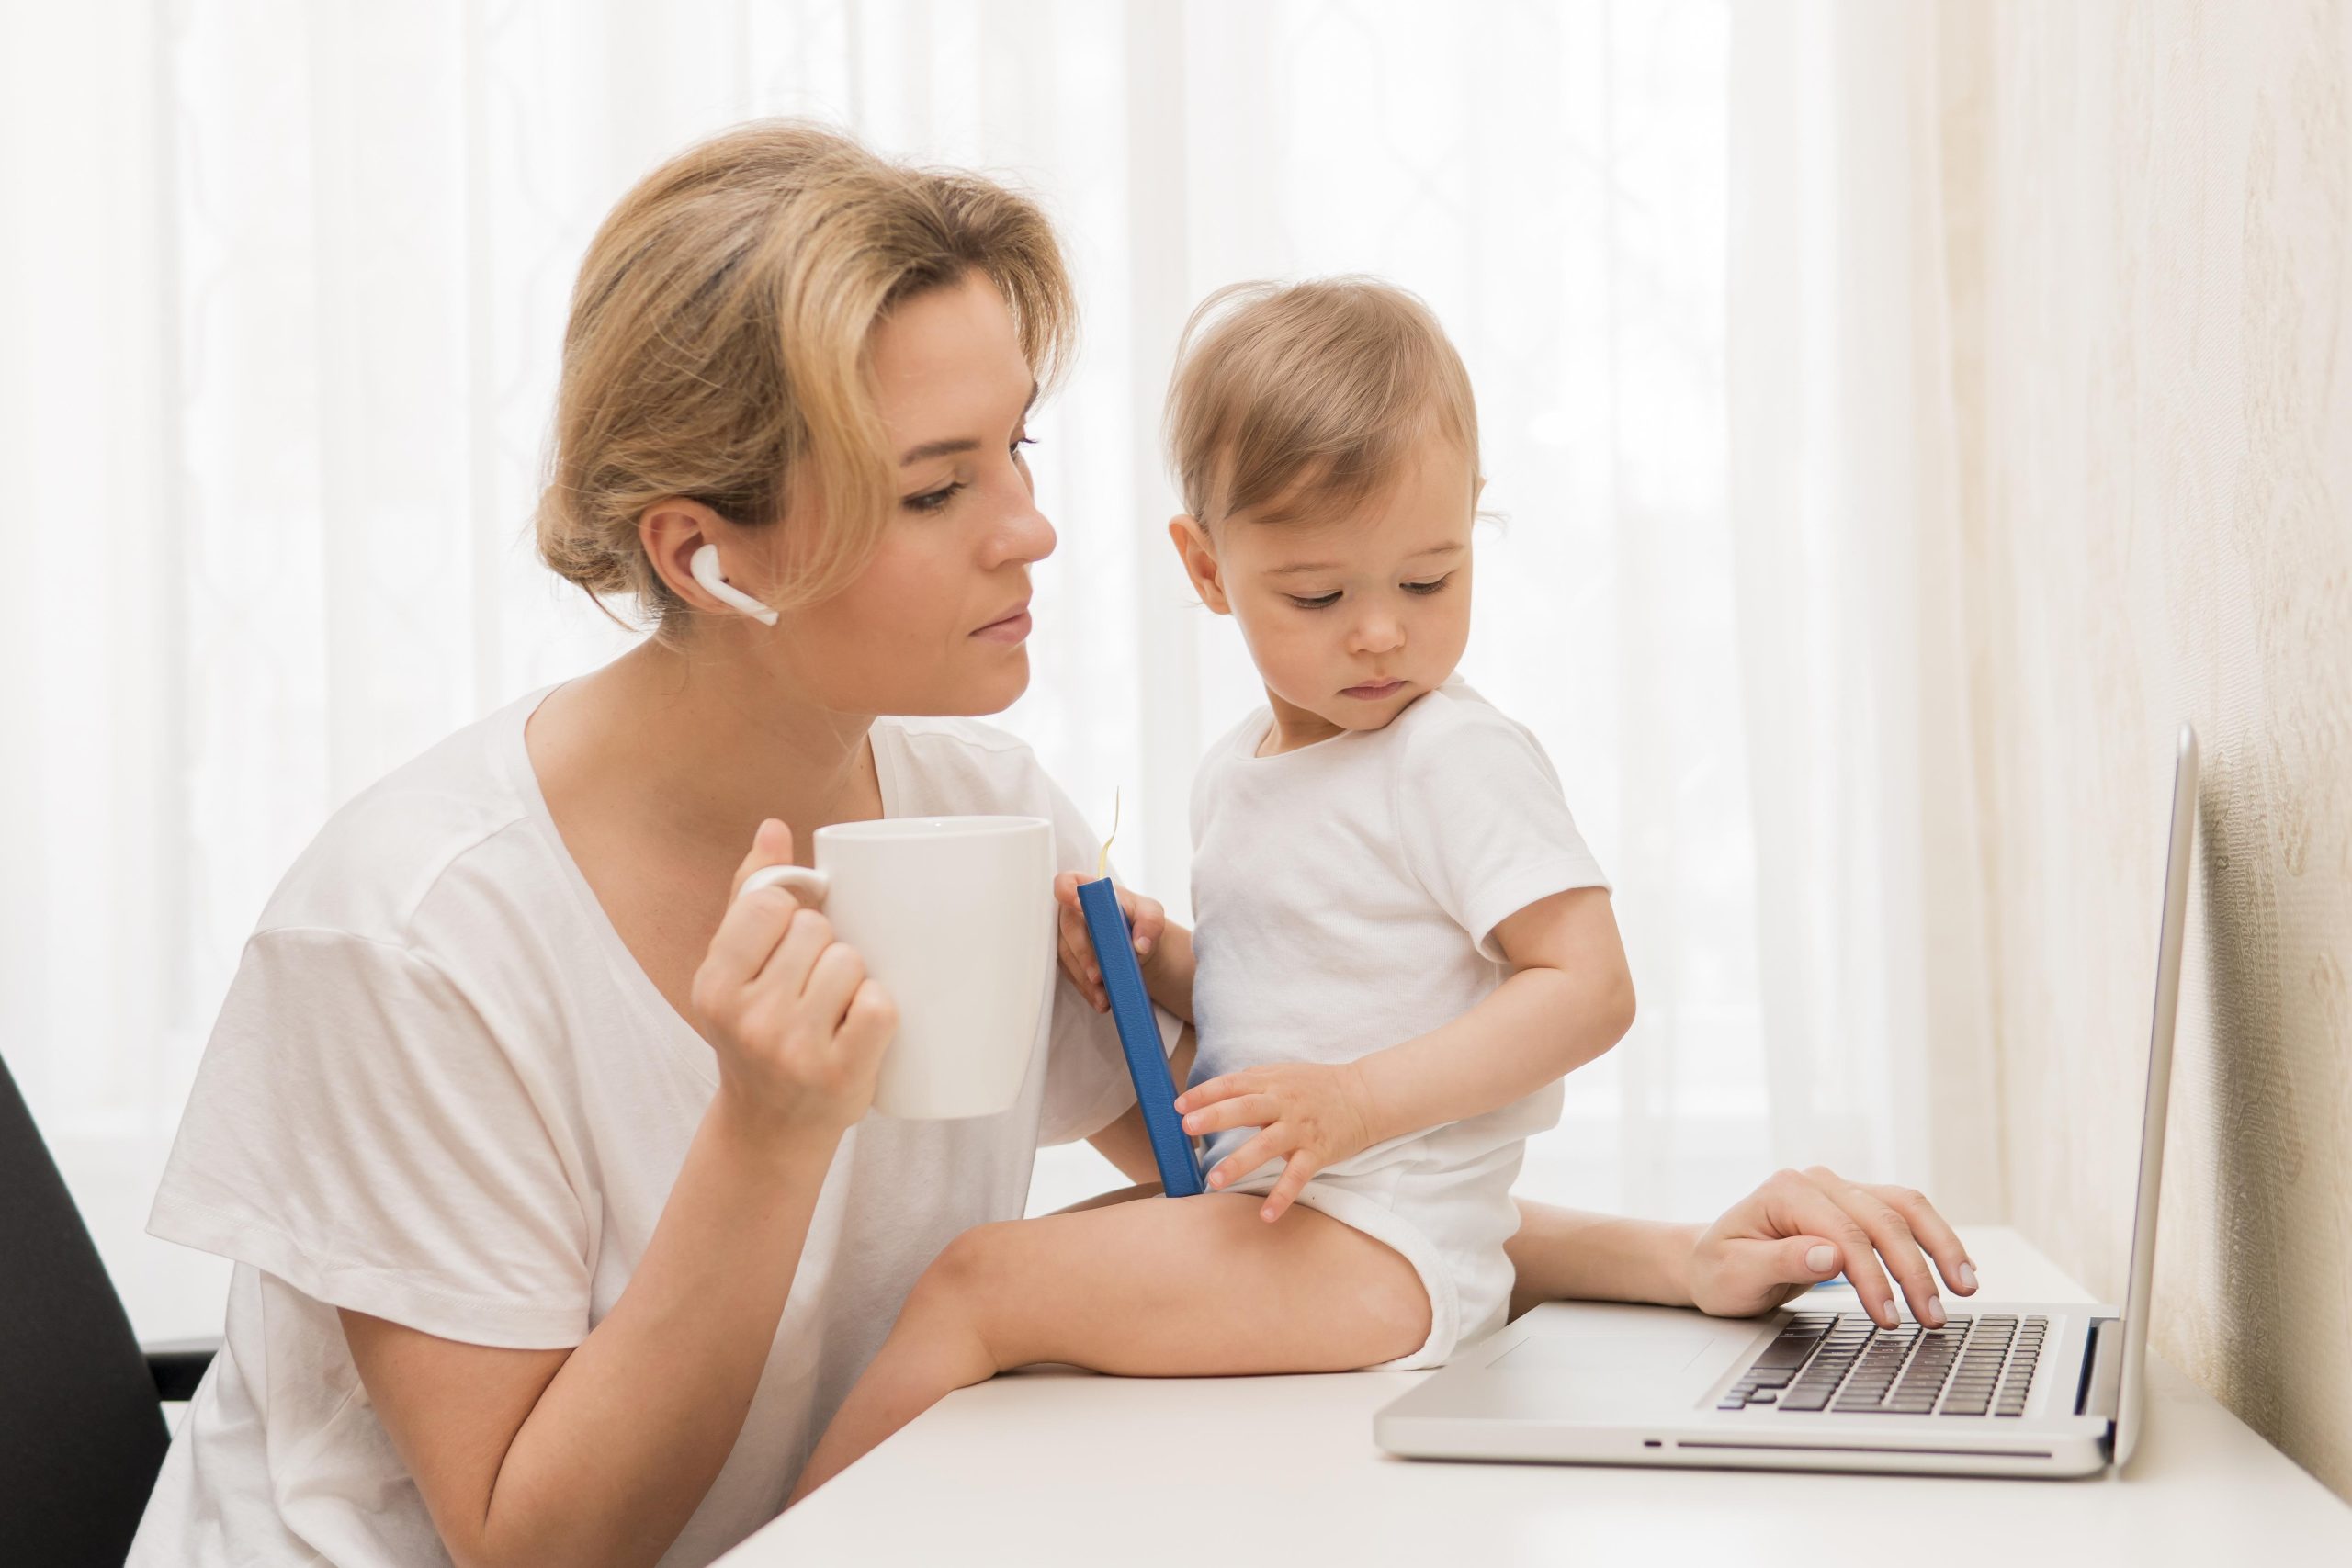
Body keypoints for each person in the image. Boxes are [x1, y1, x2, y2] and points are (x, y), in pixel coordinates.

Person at [130, 121, 1980, 1568]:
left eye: (1018, 445)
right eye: (939, 487)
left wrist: (1680, 1257)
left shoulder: (966, 807)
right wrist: (764, 1134)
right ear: (709, 553)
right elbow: (541, 1546)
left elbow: (1264, 1198)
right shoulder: (409, 937)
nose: (1035, 530)